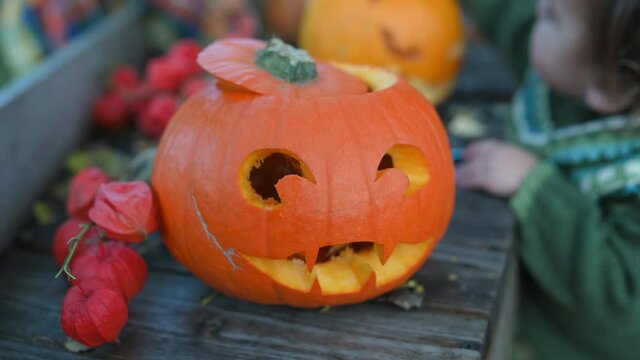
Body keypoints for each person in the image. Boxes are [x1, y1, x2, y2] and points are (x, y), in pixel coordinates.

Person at [456, 0, 640, 359]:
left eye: (553, 16)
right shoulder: (574, 64)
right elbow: (511, 15)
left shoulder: (631, 184)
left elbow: (620, 296)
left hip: (563, 347)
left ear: (608, 90)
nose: (539, 5)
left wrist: (536, 187)